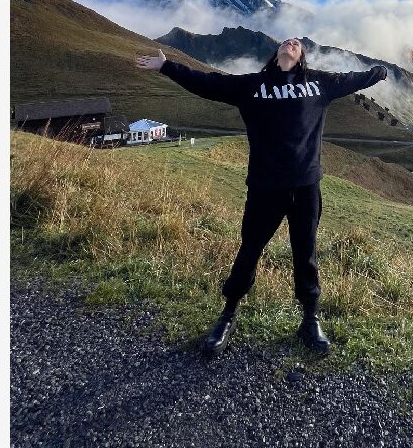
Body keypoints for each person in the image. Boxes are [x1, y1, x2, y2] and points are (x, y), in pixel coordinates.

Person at [135, 38, 387, 357]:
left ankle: (310, 319)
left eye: (296, 44)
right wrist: (167, 67)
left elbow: (353, 79)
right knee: (250, 249)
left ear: (301, 56)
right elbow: (210, 83)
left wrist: (378, 72)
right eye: (286, 42)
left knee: (305, 253)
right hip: (265, 186)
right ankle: (228, 315)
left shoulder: (319, 83)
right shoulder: (253, 85)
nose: (291, 43)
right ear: (277, 53)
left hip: (306, 186)